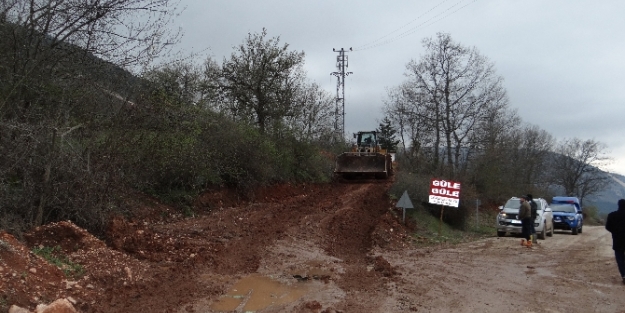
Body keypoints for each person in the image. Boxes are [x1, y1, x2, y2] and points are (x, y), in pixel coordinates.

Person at [605, 199, 625, 284]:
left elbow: (607, 227)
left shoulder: (612, 215)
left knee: (619, 258)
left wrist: (615, 231)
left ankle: (624, 275)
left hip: (617, 240)